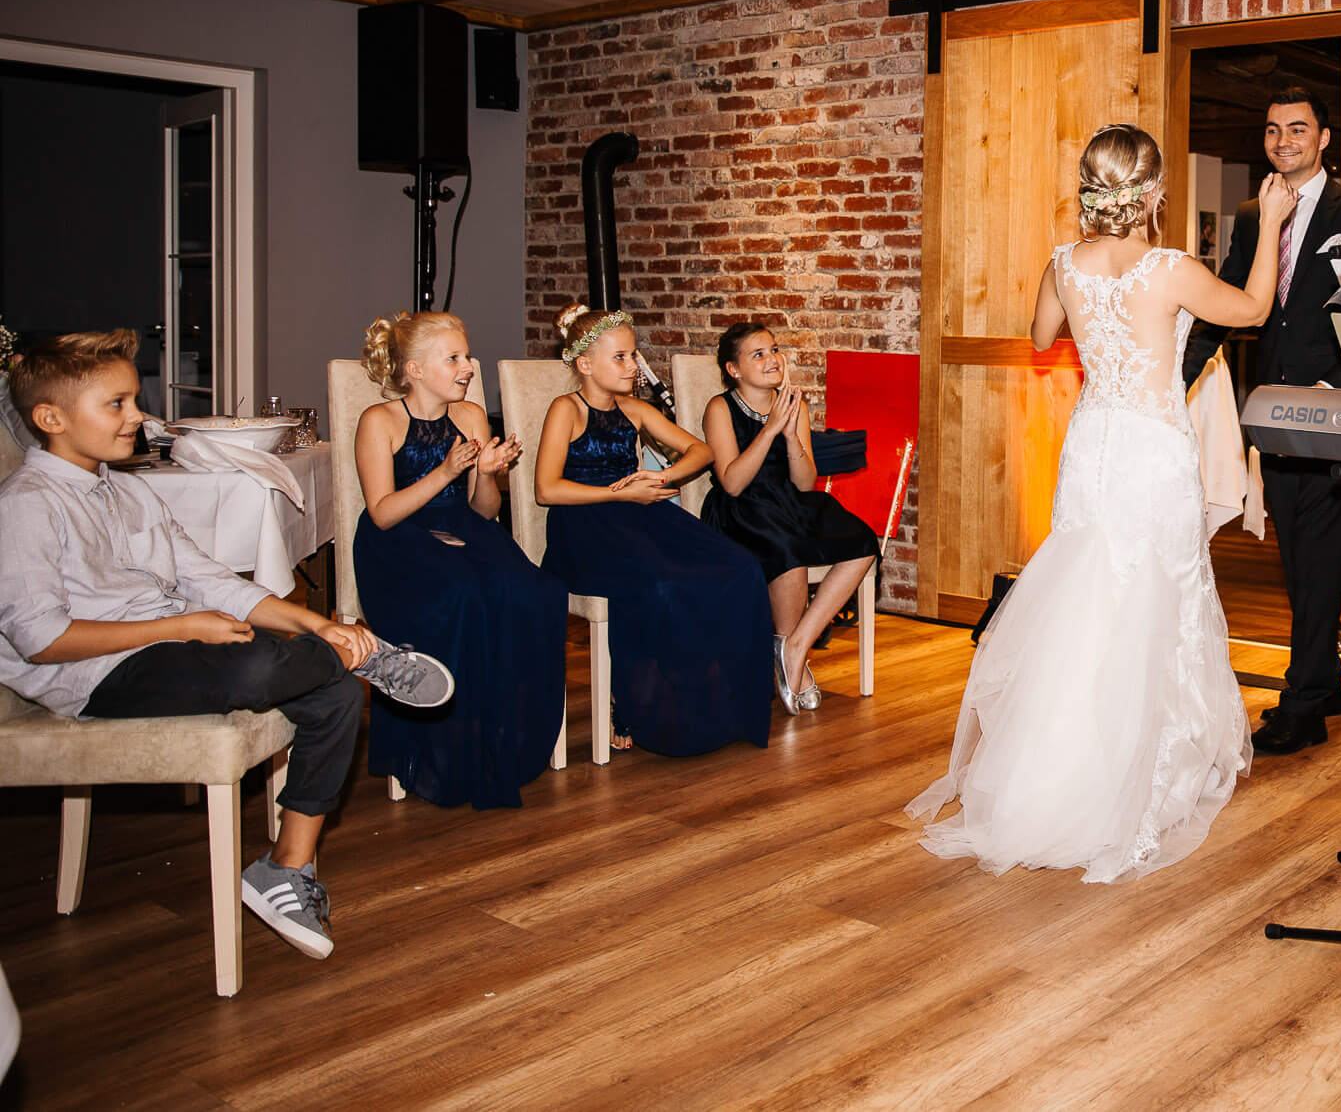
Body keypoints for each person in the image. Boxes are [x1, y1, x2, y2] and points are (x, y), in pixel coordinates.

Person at [909, 124, 1295, 881]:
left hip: (1092, 446)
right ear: (1153, 193)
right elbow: (1251, 311)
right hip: (1152, 448)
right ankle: (1142, 780)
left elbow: (1040, 335)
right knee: (1161, 598)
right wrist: (1273, 224)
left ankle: (1054, 776)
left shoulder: (1062, 263)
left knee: (1087, 602)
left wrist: (1084, 308)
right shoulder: (1172, 269)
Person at [0, 331, 453, 960]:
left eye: (135, 399)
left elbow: (210, 579)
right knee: (271, 664)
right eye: (118, 404)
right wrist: (182, 627)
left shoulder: (128, 490)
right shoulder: (26, 505)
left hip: (164, 647)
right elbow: (43, 641)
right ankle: (369, 657)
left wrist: (318, 625)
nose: (140, 415)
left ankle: (284, 868)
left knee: (336, 695)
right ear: (50, 418)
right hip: (92, 674)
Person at [1182, 87, 1341, 756]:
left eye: (1298, 129)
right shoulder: (1251, 215)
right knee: (1297, 552)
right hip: (1272, 410)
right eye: (1273, 130)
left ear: (1324, 138)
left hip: (1335, 408)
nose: (1284, 141)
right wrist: (1169, 379)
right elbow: (1224, 302)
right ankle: (1324, 682)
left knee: (1323, 550)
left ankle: (1302, 704)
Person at [534, 305, 774, 755]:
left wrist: (659, 479)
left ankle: (721, 702)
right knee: (661, 585)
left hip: (640, 514)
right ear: (585, 364)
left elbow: (699, 451)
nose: (634, 365)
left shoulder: (635, 409)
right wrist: (617, 494)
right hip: (584, 529)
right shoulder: (566, 409)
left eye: (633, 355)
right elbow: (546, 489)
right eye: (621, 357)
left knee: (739, 567)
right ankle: (634, 704)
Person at [352, 311, 567, 808]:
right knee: (464, 595)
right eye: (453, 358)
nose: (468, 365)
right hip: (397, 539)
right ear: (415, 370)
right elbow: (383, 513)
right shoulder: (379, 421)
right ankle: (448, 750)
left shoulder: (470, 416)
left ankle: (510, 740)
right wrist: (446, 471)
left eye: (466, 355)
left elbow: (485, 512)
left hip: (462, 524)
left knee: (537, 591)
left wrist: (487, 473)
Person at [701, 320, 879, 712]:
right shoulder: (721, 408)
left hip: (786, 500)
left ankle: (795, 644)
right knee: (788, 548)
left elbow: (805, 483)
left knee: (863, 541)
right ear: (734, 369)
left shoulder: (794, 403)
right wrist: (768, 431)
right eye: (758, 354)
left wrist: (791, 434)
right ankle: (789, 656)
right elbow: (731, 482)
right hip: (741, 509)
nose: (772, 359)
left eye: (775, 350)